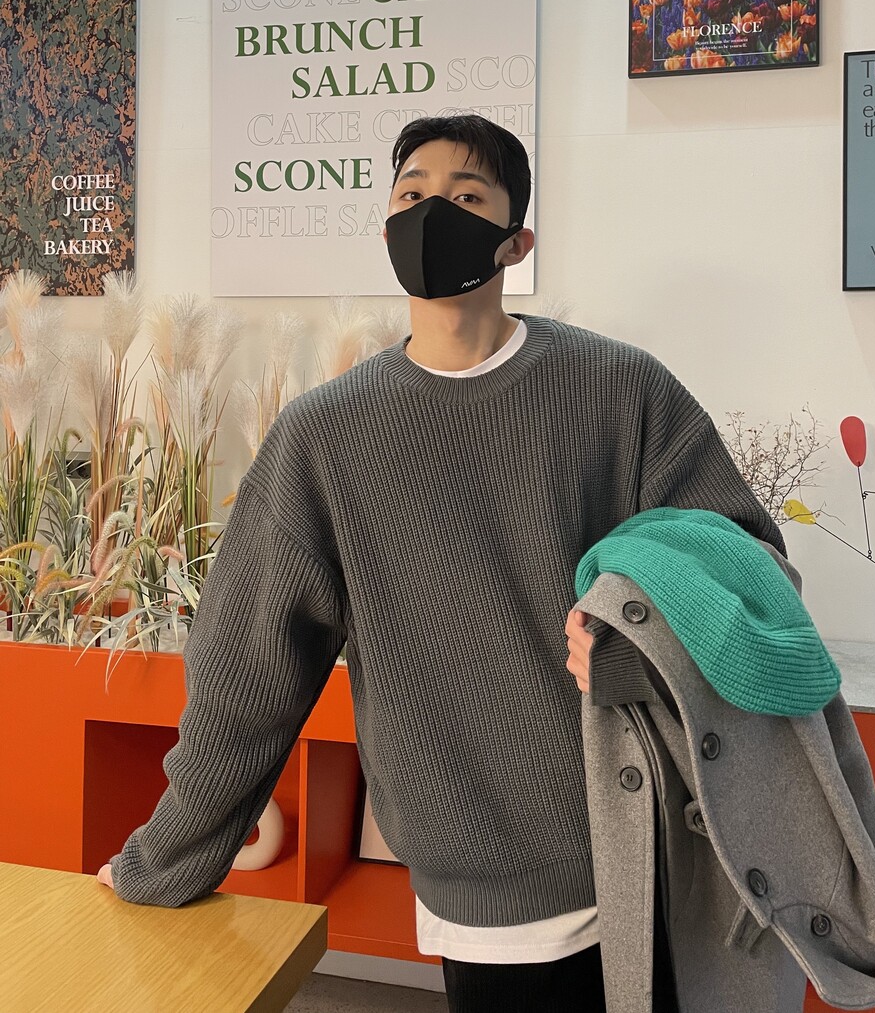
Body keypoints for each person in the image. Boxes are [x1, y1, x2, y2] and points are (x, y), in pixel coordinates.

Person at [99, 113, 784, 1013]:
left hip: (653, 859)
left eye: (466, 197)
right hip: (479, 898)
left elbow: (750, 568)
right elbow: (246, 677)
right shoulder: (326, 436)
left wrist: (638, 648)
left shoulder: (620, 390)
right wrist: (163, 859)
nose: (432, 214)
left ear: (516, 240)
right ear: (387, 228)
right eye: (412, 194)